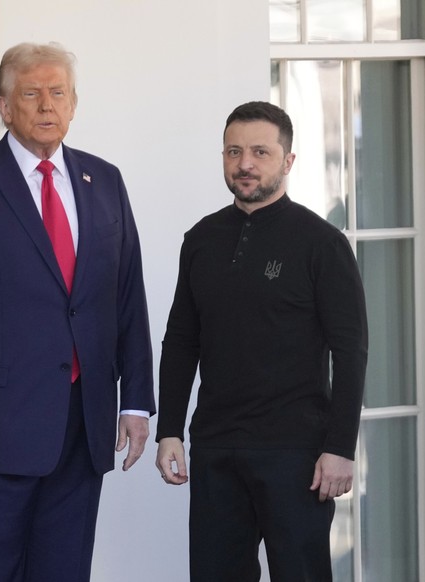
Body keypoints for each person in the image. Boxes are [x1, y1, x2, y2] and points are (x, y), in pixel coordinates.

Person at [0, 42, 155, 582]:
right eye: (31, 93)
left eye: (58, 93)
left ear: (73, 105)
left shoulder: (104, 180)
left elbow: (127, 296)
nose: (47, 105)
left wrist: (136, 401)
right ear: (4, 106)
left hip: (83, 424)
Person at [155, 101, 368, 581]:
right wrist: (170, 427)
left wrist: (340, 447)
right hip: (215, 447)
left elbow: (351, 353)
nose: (244, 164)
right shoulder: (201, 239)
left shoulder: (322, 244)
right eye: (233, 151)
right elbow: (181, 340)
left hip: (296, 454)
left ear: (288, 161)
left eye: (259, 152)